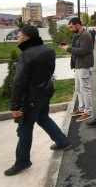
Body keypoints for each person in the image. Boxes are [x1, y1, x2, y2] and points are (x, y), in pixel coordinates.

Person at [5, 26, 70, 177]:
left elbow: (19, 82)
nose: (18, 39)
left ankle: (22, 161)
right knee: (43, 118)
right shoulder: (48, 49)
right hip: (45, 93)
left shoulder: (26, 55)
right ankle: (62, 141)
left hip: (32, 98)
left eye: (19, 37)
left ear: (26, 39)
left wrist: (14, 105)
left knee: (24, 129)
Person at [60, 17, 94, 122]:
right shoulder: (78, 36)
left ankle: (88, 112)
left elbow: (82, 50)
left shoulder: (85, 35)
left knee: (85, 90)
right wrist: (68, 48)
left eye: (71, 27)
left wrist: (68, 48)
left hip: (84, 67)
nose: (70, 29)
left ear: (77, 25)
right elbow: (77, 50)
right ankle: (81, 109)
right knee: (78, 89)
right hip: (78, 66)